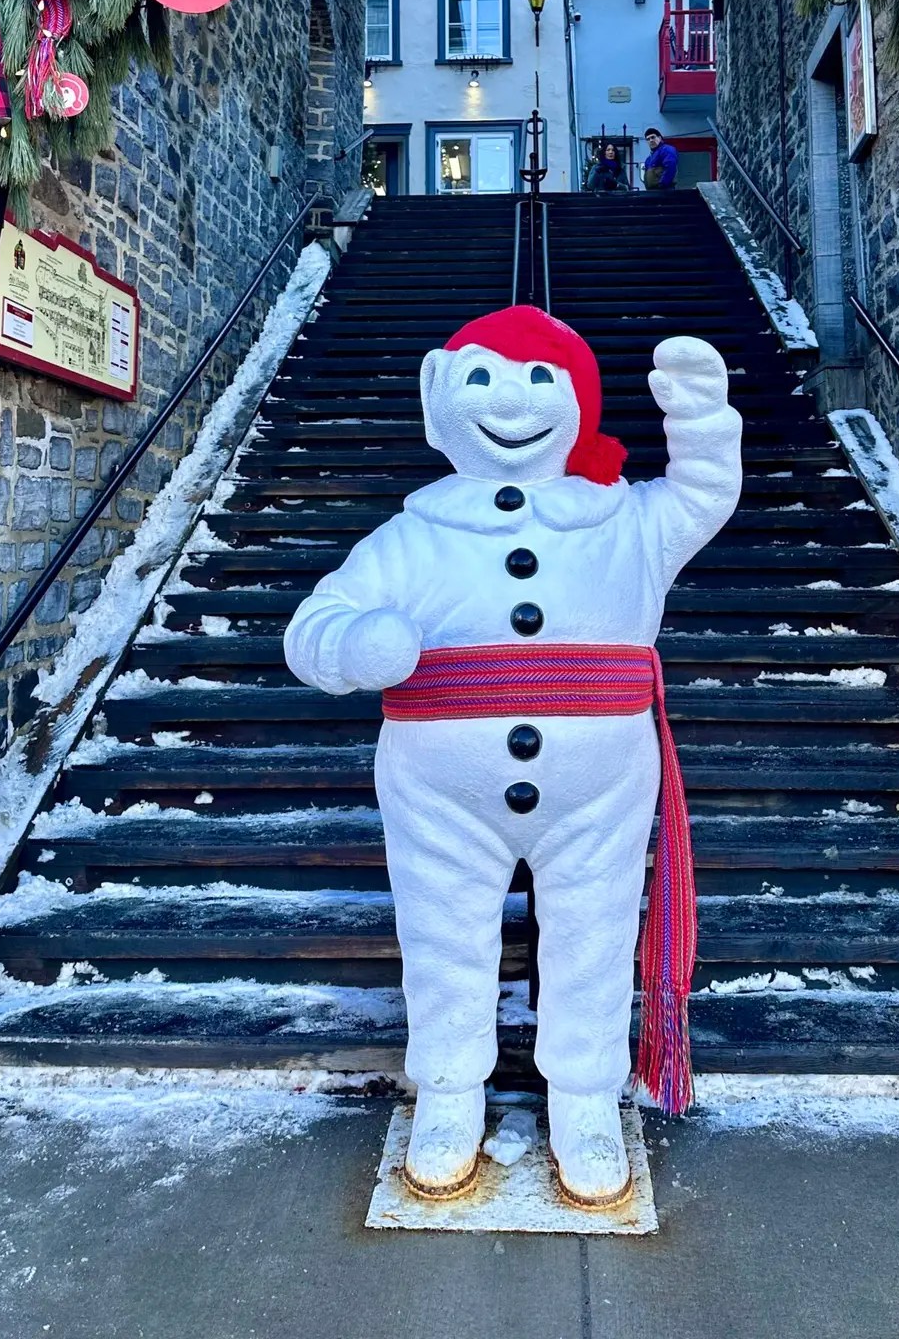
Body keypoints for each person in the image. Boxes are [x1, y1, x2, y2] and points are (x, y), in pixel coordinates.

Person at [283, 306, 742, 1209]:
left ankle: (584, 1101)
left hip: (598, 788)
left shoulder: (623, 519)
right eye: (485, 378)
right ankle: (448, 1096)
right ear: (439, 398)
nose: (512, 400)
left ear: (578, 403)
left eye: (541, 380)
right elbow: (312, 627)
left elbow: (700, 496)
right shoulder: (414, 536)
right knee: (443, 936)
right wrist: (359, 645)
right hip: (440, 791)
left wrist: (697, 421)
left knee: (594, 935)